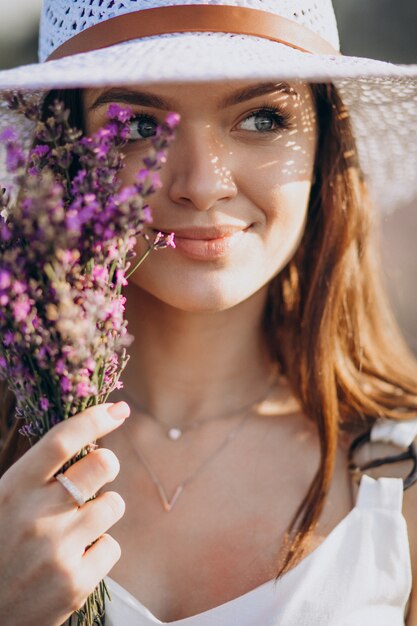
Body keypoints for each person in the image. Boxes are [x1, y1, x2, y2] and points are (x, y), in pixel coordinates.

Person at [0, 1, 417, 625]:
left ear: (324, 144)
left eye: (262, 117)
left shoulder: (400, 479)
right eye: (139, 126)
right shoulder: (12, 451)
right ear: (69, 154)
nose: (202, 182)